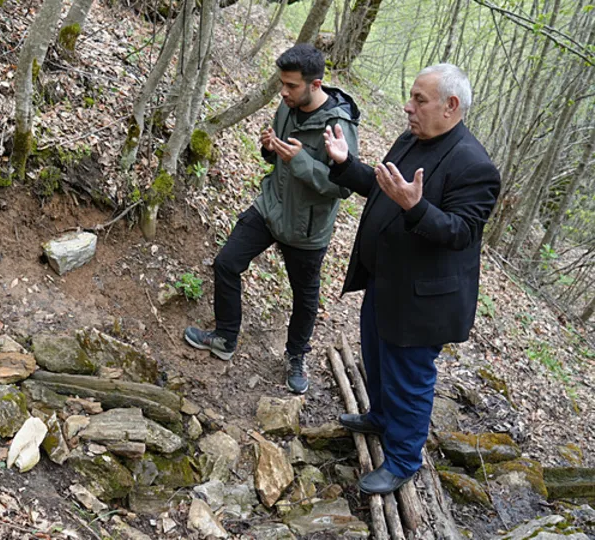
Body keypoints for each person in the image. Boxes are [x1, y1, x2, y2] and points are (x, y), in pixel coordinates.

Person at [322, 63, 500, 494]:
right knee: (378, 359)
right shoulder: (412, 138)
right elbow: (385, 185)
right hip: (386, 280)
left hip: (424, 299)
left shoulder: (475, 166)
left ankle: (403, 459)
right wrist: (347, 165)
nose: (408, 107)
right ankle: (381, 418)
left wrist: (415, 208)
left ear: (450, 106)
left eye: (419, 100)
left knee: (411, 377)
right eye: (411, 97)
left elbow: (459, 232)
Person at [184, 43, 360, 395]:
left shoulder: (338, 125)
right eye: (282, 83)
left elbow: (343, 186)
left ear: (315, 84)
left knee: (305, 299)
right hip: (269, 207)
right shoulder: (287, 105)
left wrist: (300, 161)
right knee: (227, 263)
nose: (283, 91)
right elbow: (275, 159)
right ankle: (225, 337)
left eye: (291, 85)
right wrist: (269, 148)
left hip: (306, 227)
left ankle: (296, 356)